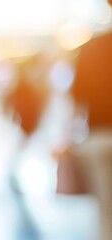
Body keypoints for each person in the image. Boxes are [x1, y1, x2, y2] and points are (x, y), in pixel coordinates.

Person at [68, 7, 112, 238]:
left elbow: (77, 100)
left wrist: (69, 138)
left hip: (98, 137)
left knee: (106, 209)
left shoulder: (91, 47)